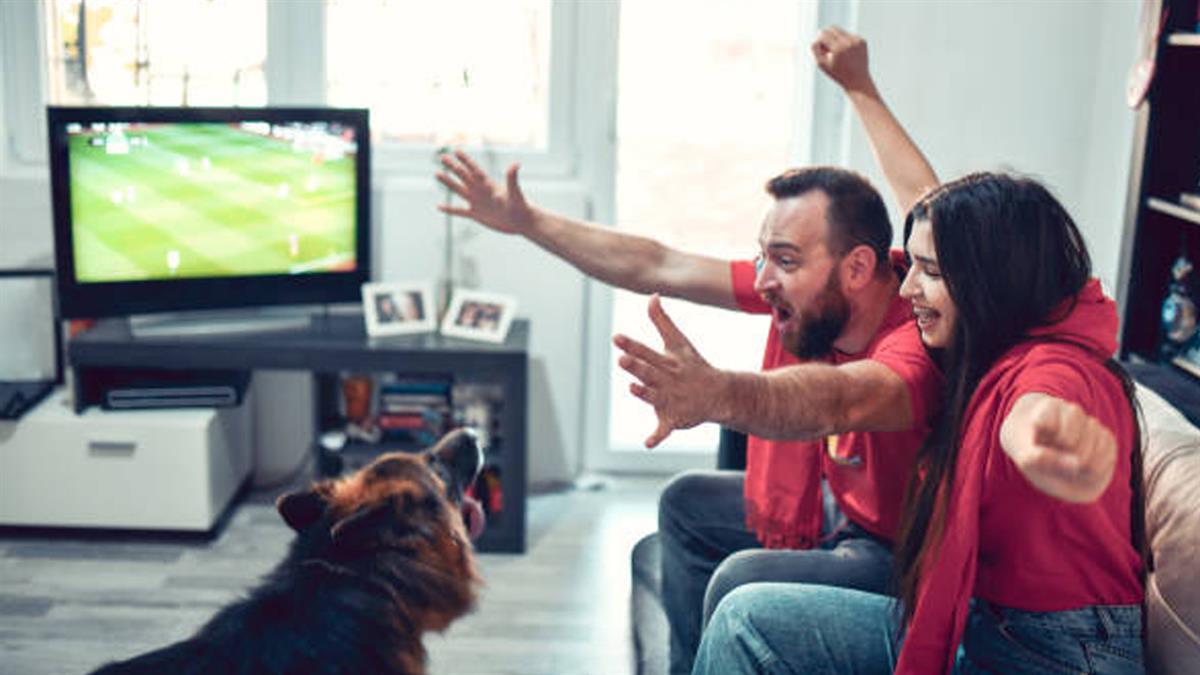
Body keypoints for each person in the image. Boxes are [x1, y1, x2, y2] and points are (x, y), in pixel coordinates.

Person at [437, 28, 943, 675]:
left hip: (898, 553)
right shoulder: (811, 294)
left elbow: (841, 398)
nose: (763, 280)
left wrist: (720, 392)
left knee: (741, 578)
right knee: (686, 503)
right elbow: (658, 263)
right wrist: (529, 222)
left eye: (785, 260)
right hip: (841, 511)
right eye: (762, 257)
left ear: (858, 268)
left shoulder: (918, 337)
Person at [688, 173, 1146, 674]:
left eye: (929, 271)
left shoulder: (1058, 369)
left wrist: (1040, 438)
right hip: (986, 620)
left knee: (745, 619)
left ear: (989, 278)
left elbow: (1035, 408)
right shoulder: (989, 349)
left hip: (1055, 652)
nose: (907, 289)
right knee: (746, 617)